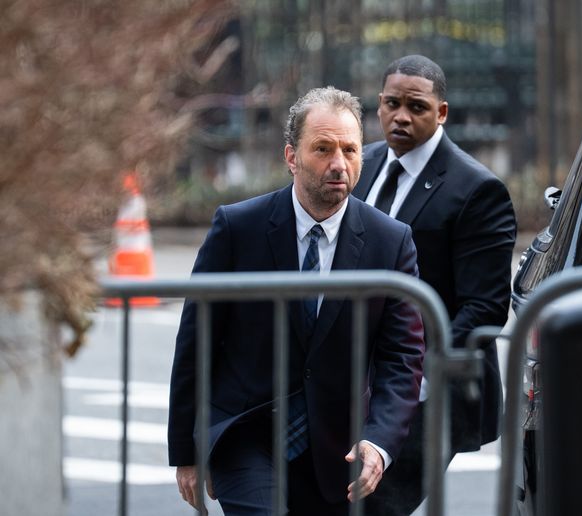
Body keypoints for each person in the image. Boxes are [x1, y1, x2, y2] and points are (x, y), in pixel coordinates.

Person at [167, 86, 425, 515]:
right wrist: (185, 450)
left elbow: (403, 358)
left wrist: (379, 443)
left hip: (337, 448)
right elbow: (196, 341)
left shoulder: (390, 242)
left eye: (350, 150)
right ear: (291, 157)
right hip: (245, 433)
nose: (338, 164)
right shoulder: (237, 228)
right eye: (322, 149)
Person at [352, 54, 517, 515]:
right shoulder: (360, 164)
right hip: (355, 381)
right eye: (391, 103)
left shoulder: (476, 189)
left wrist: (413, 374)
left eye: (416, 107)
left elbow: (484, 307)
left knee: (377, 507)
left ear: (441, 112)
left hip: (428, 391)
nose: (401, 116)